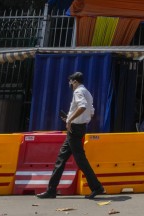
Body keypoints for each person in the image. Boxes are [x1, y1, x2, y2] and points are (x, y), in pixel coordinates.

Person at [37, 71, 106, 200]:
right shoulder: (87, 92)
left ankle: (97, 187)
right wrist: (72, 119)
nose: (69, 83)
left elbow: (83, 107)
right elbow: (91, 113)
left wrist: (70, 120)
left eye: (70, 81)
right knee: (61, 159)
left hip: (74, 130)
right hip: (79, 128)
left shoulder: (78, 92)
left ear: (75, 81)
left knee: (80, 160)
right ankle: (51, 190)